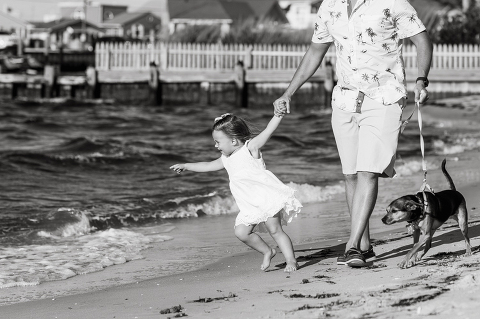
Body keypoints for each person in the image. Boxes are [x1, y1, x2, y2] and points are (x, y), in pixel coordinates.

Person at [273, 0, 433, 267]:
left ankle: (351, 246)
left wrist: (421, 80)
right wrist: (289, 92)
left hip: (385, 97)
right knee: (350, 175)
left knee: (367, 172)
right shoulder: (329, 6)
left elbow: (422, 40)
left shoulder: (392, 2)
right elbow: (316, 50)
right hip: (345, 100)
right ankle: (364, 245)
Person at [170, 112, 302, 272]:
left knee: (275, 230)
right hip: (248, 205)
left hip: (266, 199)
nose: (215, 146)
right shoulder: (225, 159)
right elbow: (206, 166)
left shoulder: (250, 149)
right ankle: (268, 251)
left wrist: (278, 115)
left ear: (233, 141)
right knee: (241, 232)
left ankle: (291, 261)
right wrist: (186, 165)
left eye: (218, 142)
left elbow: (267, 131)